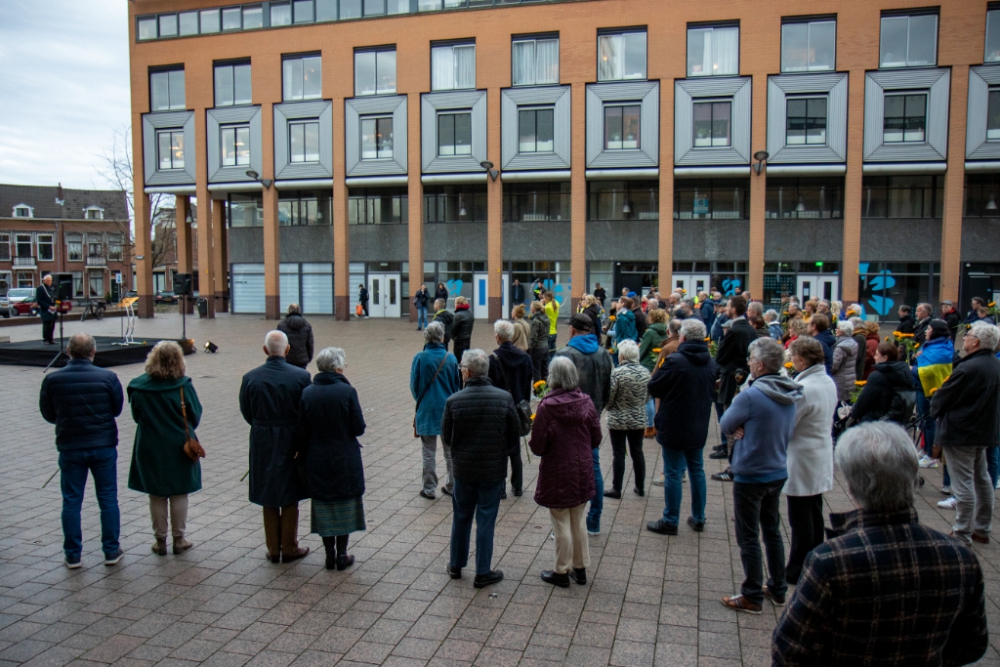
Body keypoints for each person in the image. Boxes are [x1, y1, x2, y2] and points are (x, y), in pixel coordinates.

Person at [772, 423, 988, 667]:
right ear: (912, 476)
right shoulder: (959, 557)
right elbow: (973, 644)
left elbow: (790, 652)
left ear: (852, 488)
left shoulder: (831, 561)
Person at [720, 338, 803, 613]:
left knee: (748, 536)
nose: (749, 364)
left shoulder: (751, 395)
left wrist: (738, 426)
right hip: (777, 469)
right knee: (773, 531)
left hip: (751, 471)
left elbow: (725, 423)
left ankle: (752, 594)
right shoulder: (790, 391)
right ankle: (778, 589)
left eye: (752, 360)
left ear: (760, 364)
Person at [39, 333, 125, 568]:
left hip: (71, 445)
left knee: (71, 500)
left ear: (68, 351)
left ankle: (73, 553)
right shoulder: (108, 377)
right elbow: (116, 409)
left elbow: (48, 413)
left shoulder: (53, 380)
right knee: (107, 498)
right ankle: (110, 550)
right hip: (103, 446)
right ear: (93, 352)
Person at [442, 349, 519, 588]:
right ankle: (482, 571)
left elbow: (446, 437)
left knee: (461, 516)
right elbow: (514, 436)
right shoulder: (504, 398)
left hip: (464, 471)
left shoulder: (454, 401)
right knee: (486, 519)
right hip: (492, 470)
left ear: (467, 371)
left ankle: (456, 564)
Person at [240, 331, 312, 563]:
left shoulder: (251, 378)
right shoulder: (301, 376)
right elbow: (306, 410)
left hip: (262, 438)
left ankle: (273, 548)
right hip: (291, 437)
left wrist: (262, 425)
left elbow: (246, 411)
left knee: (268, 493)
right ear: (288, 350)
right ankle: (289, 547)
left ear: (265, 350)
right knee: (290, 493)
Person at [530, 357, 601, 588]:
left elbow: (538, 446)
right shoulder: (587, 402)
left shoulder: (547, 407)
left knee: (560, 520)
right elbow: (596, 437)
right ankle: (580, 568)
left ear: (553, 377)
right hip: (582, 466)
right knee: (578, 519)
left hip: (558, 469)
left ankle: (561, 570)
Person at [127, 341, 201, 557]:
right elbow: (195, 415)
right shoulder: (183, 386)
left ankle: (160, 541)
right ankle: (179, 539)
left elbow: (136, 416)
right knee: (179, 493)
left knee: (156, 495)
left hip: (149, 445)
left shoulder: (138, 386)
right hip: (179, 445)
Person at [931, 322, 1000, 545]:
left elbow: (943, 398)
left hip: (962, 431)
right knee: (982, 479)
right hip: (983, 430)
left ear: (976, 342)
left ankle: (962, 532)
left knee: (964, 484)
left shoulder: (968, 368)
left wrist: (936, 406)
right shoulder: (994, 365)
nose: (965, 338)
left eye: (968, 335)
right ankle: (982, 528)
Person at [299, 347, 366, 571]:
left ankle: (329, 554)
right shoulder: (347, 392)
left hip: (317, 455)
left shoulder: (308, 392)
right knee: (344, 502)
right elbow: (358, 427)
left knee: (325, 504)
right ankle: (342, 554)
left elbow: (302, 430)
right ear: (337, 368)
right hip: (344, 455)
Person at [646, 320, 716, 534]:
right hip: (698, 422)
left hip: (675, 422)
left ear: (682, 338)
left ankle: (670, 520)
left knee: (673, 472)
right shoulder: (710, 362)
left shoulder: (675, 361)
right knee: (697, 469)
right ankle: (699, 517)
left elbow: (654, 386)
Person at [782, 338, 838, 585]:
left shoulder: (805, 388)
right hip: (819, 451)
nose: (791, 359)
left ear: (802, 359)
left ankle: (796, 569)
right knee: (814, 511)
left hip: (804, 455)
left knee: (801, 516)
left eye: (793, 355)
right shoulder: (825, 380)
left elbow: (788, 423)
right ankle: (817, 561)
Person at [555, 313, 613, 535]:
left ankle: (566, 526)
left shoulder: (563, 355)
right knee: (593, 466)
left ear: (571, 330)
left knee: (565, 469)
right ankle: (593, 520)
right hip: (592, 418)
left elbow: (554, 392)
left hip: (566, 421)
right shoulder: (604, 354)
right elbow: (608, 389)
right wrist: (596, 411)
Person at [410, 322, 462, 500]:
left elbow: (414, 386)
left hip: (427, 408)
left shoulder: (420, 357)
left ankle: (429, 488)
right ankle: (452, 485)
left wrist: (422, 400)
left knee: (428, 452)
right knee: (450, 451)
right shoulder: (451, 358)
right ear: (442, 337)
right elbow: (457, 386)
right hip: (447, 409)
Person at [487, 320, 533, 498]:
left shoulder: (492, 360)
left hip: (498, 408)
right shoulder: (525, 358)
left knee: (499, 449)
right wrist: (524, 403)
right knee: (515, 448)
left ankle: (500, 488)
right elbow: (528, 385)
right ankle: (518, 486)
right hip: (518, 405)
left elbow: (490, 386)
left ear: (497, 337)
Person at [710, 296, 757, 462]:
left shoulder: (735, 331)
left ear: (734, 309)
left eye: (728, 306)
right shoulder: (750, 329)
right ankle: (727, 447)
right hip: (743, 376)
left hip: (731, 377)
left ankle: (729, 450)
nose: (725, 309)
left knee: (728, 412)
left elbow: (721, 356)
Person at [604, 340, 651, 500]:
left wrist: (609, 407)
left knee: (619, 453)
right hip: (638, 418)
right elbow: (647, 397)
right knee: (637, 451)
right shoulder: (645, 372)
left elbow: (610, 396)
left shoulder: (617, 373)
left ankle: (616, 488)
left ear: (622, 355)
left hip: (618, 418)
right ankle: (640, 486)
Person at [914, 319, 954, 467]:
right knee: (924, 421)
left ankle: (932, 456)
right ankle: (926, 449)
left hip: (931, 389)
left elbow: (928, 371)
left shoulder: (940, 348)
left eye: (929, 329)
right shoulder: (932, 345)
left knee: (929, 421)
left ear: (936, 331)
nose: (926, 331)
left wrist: (913, 369)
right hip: (922, 387)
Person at [850, 341, 915, 425]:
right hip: (894, 422)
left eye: (877, 355)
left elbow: (864, 401)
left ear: (885, 358)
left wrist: (853, 416)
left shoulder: (877, 376)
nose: (874, 357)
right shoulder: (901, 374)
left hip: (875, 421)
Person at [277, 303, 314, 369]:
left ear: (288, 311)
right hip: (302, 360)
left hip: (286, 359)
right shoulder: (307, 325)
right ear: (299, 311)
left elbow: (278, 344)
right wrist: (309, 357)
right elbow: (310, 344)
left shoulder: (281, 325)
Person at [831, 320, 858, 403]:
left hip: (840, 381)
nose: (836, 329)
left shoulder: (840, 347)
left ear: (843, 331)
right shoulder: (853, 343)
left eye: (838, 328)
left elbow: (834, 366)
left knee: (838, 407)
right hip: (850, 379)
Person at [528, 301, 550, 381]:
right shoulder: (546, 318)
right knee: (544, 370)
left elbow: (533, 337)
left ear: (534, 309)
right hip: (545, 346)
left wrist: (529, 349)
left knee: (536, 371)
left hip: (537, 348)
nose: (530, 308)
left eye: (531, 307)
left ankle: (538, 390)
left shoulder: (535, 321)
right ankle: (546, 390)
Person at [451, 296, 474, 363]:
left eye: (455, 303)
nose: (454, 304)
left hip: (459, 341)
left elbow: (453, 329)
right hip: (467, 339)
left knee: (458, 359)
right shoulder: (470, 313)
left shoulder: (458, 315)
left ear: (459, 304)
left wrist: (452, 336)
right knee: (466, 359)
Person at [36, 273, 58, 344]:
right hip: (46, 309)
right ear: (44, 281)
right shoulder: (40, 289)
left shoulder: (52, 288)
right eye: (48, 280)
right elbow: (39, 300)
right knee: (46, 325)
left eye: (50, 280)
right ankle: (46, 339)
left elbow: (56, 298)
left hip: (53, 309)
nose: (50, 282)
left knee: (52, 324)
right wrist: (48, 306)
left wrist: (56, 305)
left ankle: (51, 339)